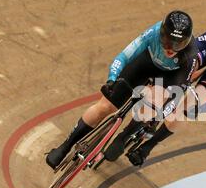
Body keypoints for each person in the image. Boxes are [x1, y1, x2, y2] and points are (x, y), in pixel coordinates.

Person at [46, 10, 198, 170]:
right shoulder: (152, 33)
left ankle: (123, 137)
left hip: (170, 76)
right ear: (161, 33)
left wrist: (159, 113)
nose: (171, 48)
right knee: (105, 106)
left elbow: (178, 91)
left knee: (152, 105)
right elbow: (123, 57)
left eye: (178, 44)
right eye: (167, 41)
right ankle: (65, 146)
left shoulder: (191, 55)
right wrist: (112, 79)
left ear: (186, 42)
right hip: (146, 63)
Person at [123, 26, 206, 166]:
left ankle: (148, 147)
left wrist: (198, 107)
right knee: (184, 71)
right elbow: (185, 56)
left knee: (190, 104)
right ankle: (152, 114)